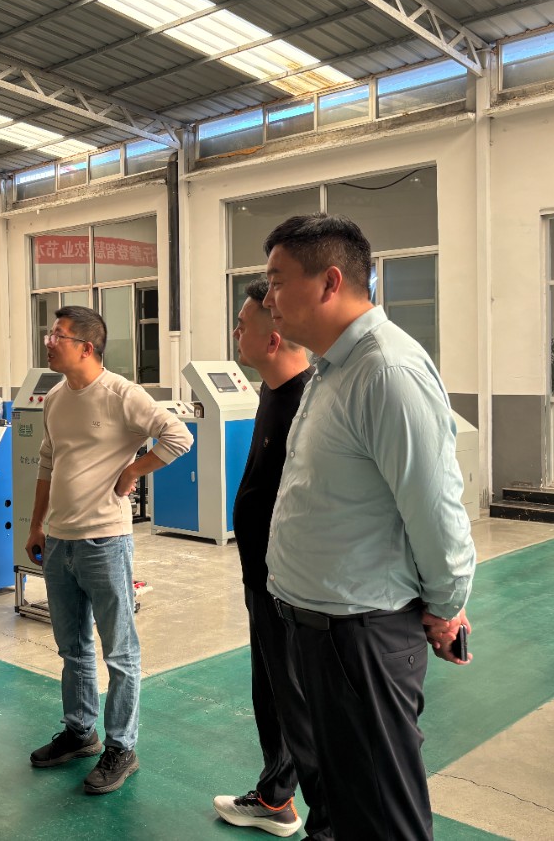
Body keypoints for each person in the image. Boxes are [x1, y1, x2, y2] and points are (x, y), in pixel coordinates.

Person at [262, 214, 475, 840]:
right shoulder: (334, 368)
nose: (268, 297)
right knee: (349, 806)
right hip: (321, 631)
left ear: (330, 282)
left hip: (362, 637)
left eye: (277, 280)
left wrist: (446, 606)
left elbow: (435, 507)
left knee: (383, 818)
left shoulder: (387, 373)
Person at [25, 305, 192, 794]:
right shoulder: (56, 397)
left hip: (105, 542)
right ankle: (81, 732)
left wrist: (133, 470)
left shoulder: (122, 394)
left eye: (58, 335)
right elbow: (47, 464)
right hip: (59, 541)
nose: (49, 341)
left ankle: (122, 746)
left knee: (119, 650)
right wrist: (36, 526)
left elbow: (178, 436)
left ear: (86, 347)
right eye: (50, 333)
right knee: (72, 647)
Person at [213, 279, 320, 839]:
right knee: (272, 693)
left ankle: (316, 812)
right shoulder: (271, 393)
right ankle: (276, 797)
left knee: (296, 700)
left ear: (273, 338)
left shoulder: (309, 403)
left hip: (291, 586)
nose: (235, 334)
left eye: (242, 326)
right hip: (262, 578)